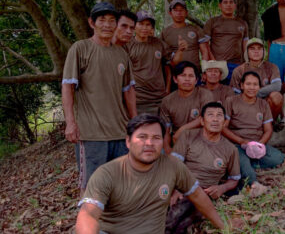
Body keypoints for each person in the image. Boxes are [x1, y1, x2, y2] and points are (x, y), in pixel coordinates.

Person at [74, 113, 225, 234]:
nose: (149, 143)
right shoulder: (107, 173)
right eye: (142, 137)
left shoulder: (173, 166)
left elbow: (197, 195)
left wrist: (224, 227)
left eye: (156, 138)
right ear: (128, 141)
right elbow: (88, 216)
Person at [62, 2, 137, 194]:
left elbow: (128, 90)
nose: (107, 25)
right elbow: (68, 87)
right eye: (102, 20)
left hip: (120, 132)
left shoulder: (121, 53)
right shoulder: (80, 49)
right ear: (91, 23)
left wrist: (135, 123)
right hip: (91, 134)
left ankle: (114, 224)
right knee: (91, 187)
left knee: (121, 184)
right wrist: (70, 123)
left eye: (112, 21)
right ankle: (88, 224)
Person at [166, 102, 240, 234]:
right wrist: (175, 189)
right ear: (201, 120)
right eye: (210, 115)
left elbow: (234, 179)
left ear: (224, 122)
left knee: (180, 223)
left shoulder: (231, 149)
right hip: (181, 188)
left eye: (219, 116)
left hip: (203, 195)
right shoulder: (188, 136)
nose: (215, 119)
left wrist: (221, 188)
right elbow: (174, 165)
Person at [223, 71, 285, 196]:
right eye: (248, 84)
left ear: (259, 87)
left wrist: (260, 144)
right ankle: (254, 184)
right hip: (237, 143)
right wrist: (241, 141)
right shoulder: (231, 101)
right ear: (241, 85)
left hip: (256, 143)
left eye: (255, 84)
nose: (252, 88)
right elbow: (223, 128)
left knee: (278, 157)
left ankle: (244, 164)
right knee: (239, 155)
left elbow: (268, 129)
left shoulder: (263, 104)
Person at [126, 10, 172, 115]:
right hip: (139, 99)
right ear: (134, 26)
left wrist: (168, 89)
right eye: (141, 24)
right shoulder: (128, 45)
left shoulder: (158, 43)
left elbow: (168, 66)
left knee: (162, 128)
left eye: (148, 25)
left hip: (160, 97)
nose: (144, 28)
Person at [161, 61, 214, 153]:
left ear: (196, 80)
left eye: (191, 76)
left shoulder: (205, 95)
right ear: (175, 79)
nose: (187, 79)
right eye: (183, 75)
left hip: (201, 139)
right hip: (176, 140)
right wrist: (167, 148)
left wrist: (182, 130)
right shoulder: (167, 101)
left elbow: (206, 118)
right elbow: (166, 129)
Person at [229, 38, 283, 120]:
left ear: (264, 51)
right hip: (246, 103)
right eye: (252, 49)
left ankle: (270, 124)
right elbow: (235, 93)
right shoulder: (239, 70)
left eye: (259, 48)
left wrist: (256, 92)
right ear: (247, 52)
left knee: (277, 96)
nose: (256, 51)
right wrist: (249, 98)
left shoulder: (271, 67)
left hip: (265, 103)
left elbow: (277, 86)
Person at [204, 0, 249, 83]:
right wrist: (212, 62)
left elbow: (245, 46)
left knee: (236, 93)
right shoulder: (212, 22)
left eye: (231, 2)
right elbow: (205, 44)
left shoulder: (242, 23)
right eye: (225, 2)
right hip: (217, 65)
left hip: (237, 65)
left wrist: (246, 64)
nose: (228, 5)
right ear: (220, 5)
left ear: (235, 5)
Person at [161, 0, 210, 69]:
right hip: (175, 74)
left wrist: (205, 69)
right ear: (170, 13)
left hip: (194, 73)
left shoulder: (195, 29)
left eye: (181, 10)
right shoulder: (165, 32)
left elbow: (204, 51)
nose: (179, 13)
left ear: (186, 12)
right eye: (175, 10)